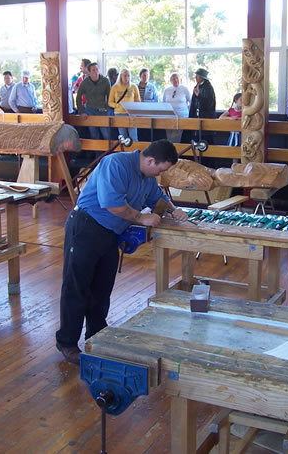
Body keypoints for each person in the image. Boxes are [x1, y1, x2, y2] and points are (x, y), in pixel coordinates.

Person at [55, 139, 189, 364]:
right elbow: (113, 204)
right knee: (77, 286)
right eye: (161, 169)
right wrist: (141, 217)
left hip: (110, 233)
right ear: (150, 160)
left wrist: (174, 211)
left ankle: (97, 336)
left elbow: (158, 198)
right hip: (86, 227)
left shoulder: (147, 177)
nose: (161, 174)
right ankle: (67, 342)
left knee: (101, 289)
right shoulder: (115, 164)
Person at [76, 62, 111, 140]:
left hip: (102, 110)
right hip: (90, 111)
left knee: (106, 135)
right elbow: (78, 98)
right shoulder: (84, 83)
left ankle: (109, 152)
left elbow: (110, 96)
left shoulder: (105, 81)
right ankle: (97, 153)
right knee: (94, 136)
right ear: (89, 72)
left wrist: (108, 108)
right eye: (93, 70)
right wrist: (82, 111)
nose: (96, 71)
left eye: (97, 69)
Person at [108, 68, 140, 141]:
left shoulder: (133, 86)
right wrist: (117, 105)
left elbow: (138, 100)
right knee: (123, 137)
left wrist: (134, 108)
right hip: (119, 114)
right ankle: (125, 152)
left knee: (134, 137)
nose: (127, 78)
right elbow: (110, 102)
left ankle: (135, 151)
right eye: (125, 76)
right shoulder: (114, 87)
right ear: (121, 76)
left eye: (128, 76)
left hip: (131, 114)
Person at [162, 72, 191, 143]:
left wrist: (188, 112)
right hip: (168, 118)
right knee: (169, 137)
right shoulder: (167, 90)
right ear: (171, 81)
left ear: (180, 79)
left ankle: (174, 153)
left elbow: (191, 102)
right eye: (173, 79)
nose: (176, 80)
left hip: (181, 117)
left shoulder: (185, 89)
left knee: (175, 138)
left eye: (177, 78)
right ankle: (169, 153)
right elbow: (163, 103)